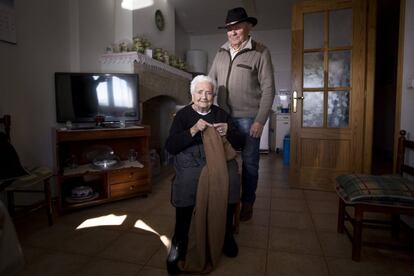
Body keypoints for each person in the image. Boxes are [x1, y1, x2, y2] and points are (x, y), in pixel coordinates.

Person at [165, 75, 244, 275]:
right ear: (192, 95)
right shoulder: (183, 116)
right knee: (187, 183)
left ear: (214, 96)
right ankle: (179, 240)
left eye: (209, 93)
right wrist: (192, 130)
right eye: (199, 92)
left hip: (217, 158)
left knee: (232, 180)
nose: (204, 96)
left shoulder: (220, 114)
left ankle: (225, 234)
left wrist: (228, 131)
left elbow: (240, 142)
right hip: (191, 159)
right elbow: (171, 146)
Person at [209, 7, 275, 221]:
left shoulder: (260, 52)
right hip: (222, 116)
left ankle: (247, 202)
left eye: (237, 27)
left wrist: (260, 120)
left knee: (250, 163)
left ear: (248, 27)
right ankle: (225, 200)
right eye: (229, 29)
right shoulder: (220, 52)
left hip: (249, 120)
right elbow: (210, 81)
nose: (233, 32)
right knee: (222, 161)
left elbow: (268, 89)